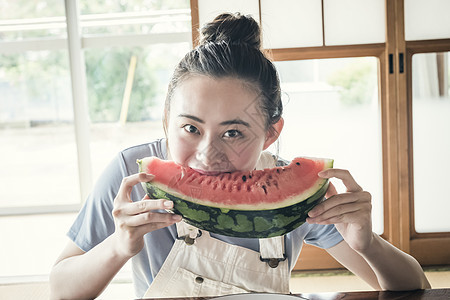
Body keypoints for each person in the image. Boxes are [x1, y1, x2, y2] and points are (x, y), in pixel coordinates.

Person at [49, 13, 430, 299]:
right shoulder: (132, 175)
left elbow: (416, 290)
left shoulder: (300, 197)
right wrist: (117, 247)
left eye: (233, 133)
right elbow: (61, 290)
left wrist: (369, 245)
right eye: (190, 128)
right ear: (166, 120)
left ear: (271, 133)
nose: (206, 154)